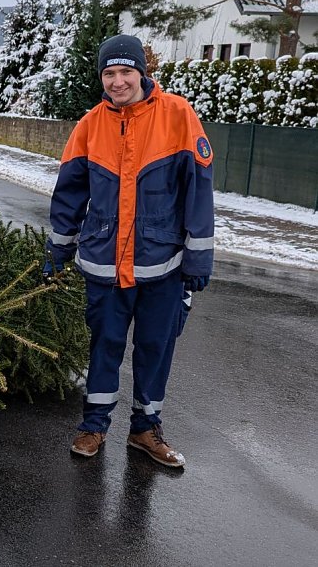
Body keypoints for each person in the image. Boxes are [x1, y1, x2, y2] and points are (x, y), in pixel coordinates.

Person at [45, 35, 214, 468]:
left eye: (125, 72)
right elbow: (69, 193)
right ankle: (93, 425)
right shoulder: (89, 125)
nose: (117, 81)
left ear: (142, 72)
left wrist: (198, 257)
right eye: (109, 73)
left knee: (155, 348)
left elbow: (198, 191)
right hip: (104, 263)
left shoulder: (178, 115)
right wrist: (58, 249)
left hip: (163, 265)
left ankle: (145, 428)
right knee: (104, 345)